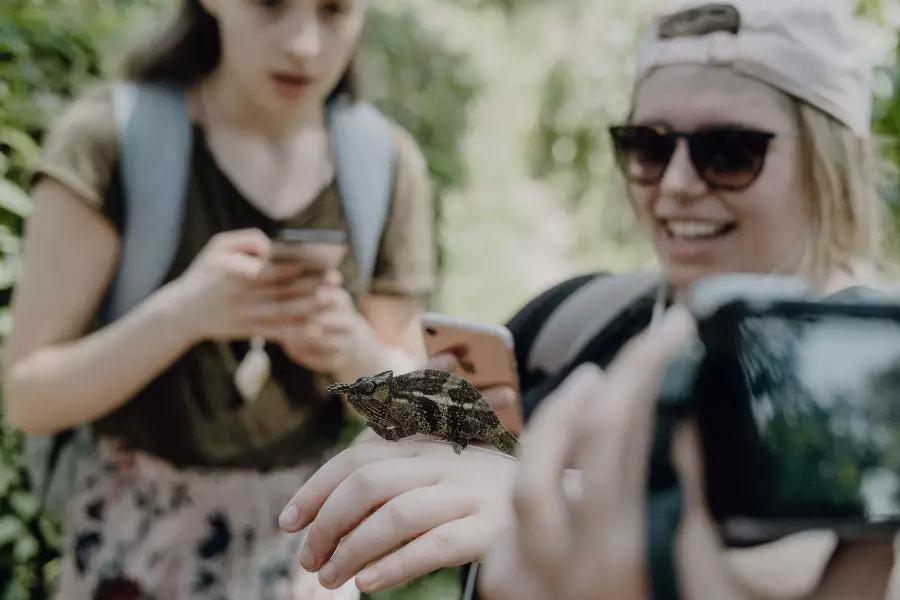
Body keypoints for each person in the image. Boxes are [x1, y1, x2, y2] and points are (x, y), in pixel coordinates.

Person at [277, 0, 900, 597]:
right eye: (649, 146)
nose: (677, 183)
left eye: (730, 152)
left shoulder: (871, 368)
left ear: (835, 160)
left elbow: (828, 547)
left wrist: (541, 494)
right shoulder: (574, 318)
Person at [3, 0, 436, 597]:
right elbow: (27, 397)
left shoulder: (384, 164)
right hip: (133, 552)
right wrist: (181, 315)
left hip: (305, 548)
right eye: (270, 5)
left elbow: (419, 414)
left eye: (334, 11)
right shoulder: (110, 141)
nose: (304, 45)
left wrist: (353, 351)